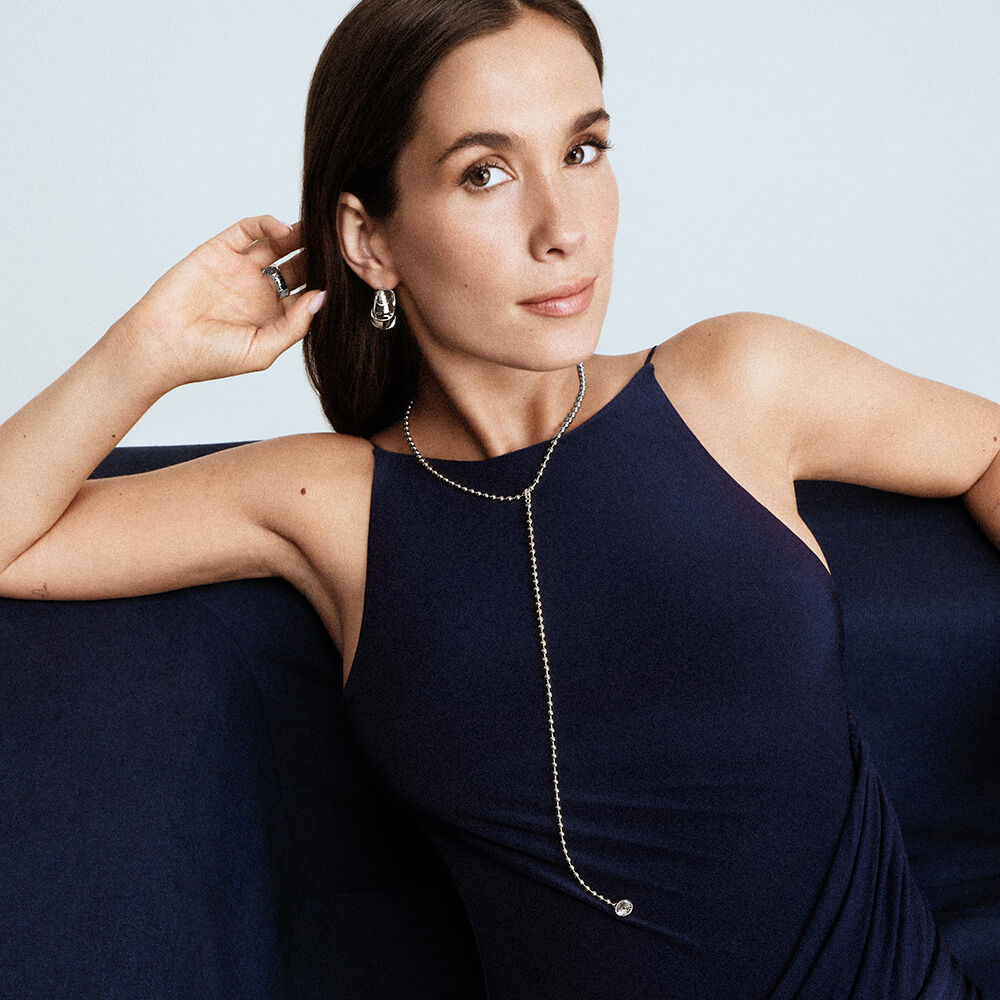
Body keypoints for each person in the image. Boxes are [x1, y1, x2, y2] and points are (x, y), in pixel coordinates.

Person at [0, 0, 994, 996]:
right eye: (485, 172)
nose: (563, 229)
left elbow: (985, 449)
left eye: (583, 151)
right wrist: (147, 350)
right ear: (369, 240)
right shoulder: (328, 502)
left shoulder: (737, 382)